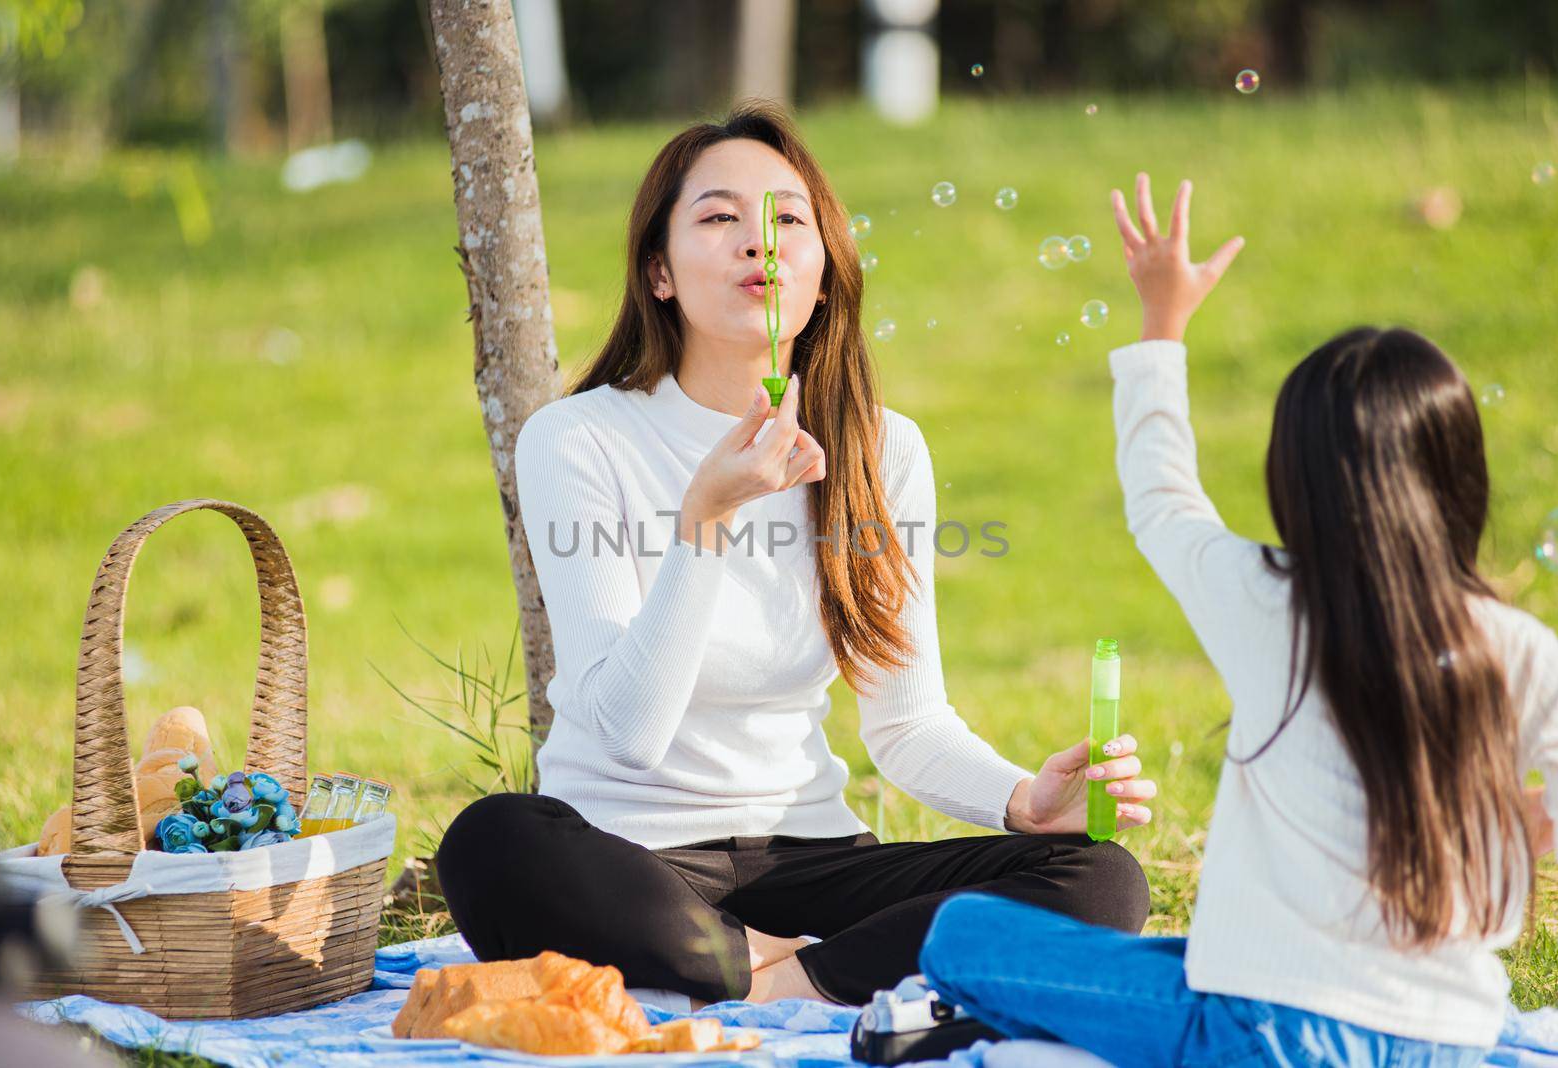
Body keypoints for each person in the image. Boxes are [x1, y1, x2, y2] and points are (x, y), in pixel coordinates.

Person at [433, 101, 1155, 1009]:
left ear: (823, 269)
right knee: (491, 843)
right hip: (631, 861)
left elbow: (907, 724)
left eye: (786, 219)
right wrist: (706, 518)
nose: (757, 243)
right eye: (718, 216)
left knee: (1102, 880)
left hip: (813, 862)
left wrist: (1020, 802)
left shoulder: (882, 449)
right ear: (659, 272)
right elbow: (631, 733)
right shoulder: (578, 438)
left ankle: (779, 979)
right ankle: (798, 965)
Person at [919, 173, 1558, 1066]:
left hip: (1261, 1035)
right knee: (1166, 961)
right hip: (1449, 1043)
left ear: (1293, 478)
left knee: (962, 935)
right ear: (1461, 476)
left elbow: (1161, 497)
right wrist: (1529, 820)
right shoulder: (1523, 649)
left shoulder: (1271, 601)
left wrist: (1164, 318)